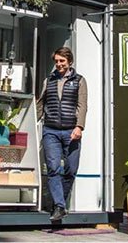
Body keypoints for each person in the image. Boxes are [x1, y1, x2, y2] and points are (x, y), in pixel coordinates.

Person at [36, 47, 87, 221]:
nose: (59, 64)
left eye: (62, 61)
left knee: (71, 169)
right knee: (53, 168)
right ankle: (58, 205)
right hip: (50, 130)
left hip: (71, 130)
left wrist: (79, 127)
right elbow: (40, 103)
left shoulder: (79, 80)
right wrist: (32, 120)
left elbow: (82, 105)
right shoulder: (48, 80)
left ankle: (60, 203)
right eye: (56, 61)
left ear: (69, 61)